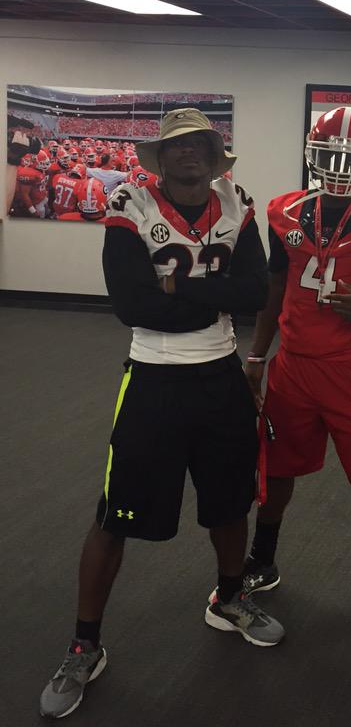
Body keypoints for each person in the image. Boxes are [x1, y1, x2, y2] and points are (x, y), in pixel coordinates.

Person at [40, 109, 284, 720]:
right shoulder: (131, 204)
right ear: (161, 156)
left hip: (221, 375)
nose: (189, 153)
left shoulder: (237, 204)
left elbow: (256, 292)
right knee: (114, 515)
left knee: (230, 503)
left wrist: (179, 290)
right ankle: (84, 644)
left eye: (199, 143)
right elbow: (132, 305)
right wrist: (210, 299)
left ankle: (229, 597)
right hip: (153, 377)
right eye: (177, 145)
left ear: (214, 153)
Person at [244, 106, 351, 650]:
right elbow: (275, 289)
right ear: (311, 155)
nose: (340, 167)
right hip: (293, 367)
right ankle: (263, 561)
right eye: (330, 155)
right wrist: (257, 356)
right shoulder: (285, 213)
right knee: (277, 472)